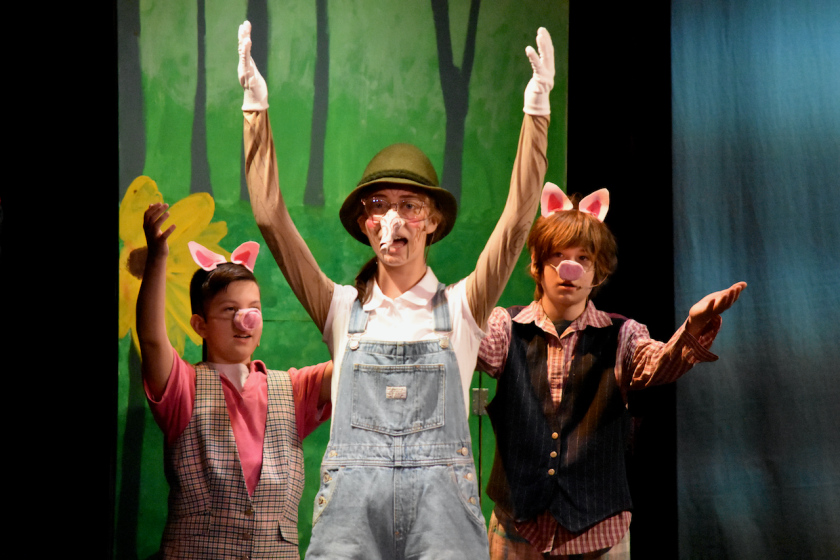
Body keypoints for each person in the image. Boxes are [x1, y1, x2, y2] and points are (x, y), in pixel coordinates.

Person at [237, 19, 555, 560]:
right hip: (352, 522)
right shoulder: (341, 308)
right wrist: (254, 109)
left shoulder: (464, 306)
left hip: (441, 522)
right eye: (379, 205)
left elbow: (519, 218)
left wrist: (537, 111)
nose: (393, 219)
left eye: (410, 206)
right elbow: (271, 219)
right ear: (364, 224)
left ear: (433, 221)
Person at [476, 183, 748, 559]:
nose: (570, 269)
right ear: (537, 264)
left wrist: (693, 326)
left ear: (598, 272)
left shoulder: (623, 334)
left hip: (598, 530)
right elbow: (468, 345)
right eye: (557, 256)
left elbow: (660, 363)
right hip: (518, 526)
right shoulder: (505, 327)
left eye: (583, 258)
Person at [136, 202, 333, 559]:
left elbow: (354, 361)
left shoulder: (294, 389)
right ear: (200, 325)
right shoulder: (183, 386)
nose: (245, 320)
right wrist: (157, 258)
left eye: (253, 309)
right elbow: (151, 339)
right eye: (229, 310)